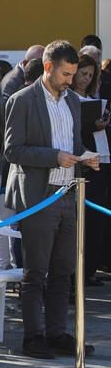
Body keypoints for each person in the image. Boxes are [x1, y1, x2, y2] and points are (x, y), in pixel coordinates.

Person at [5, 40, 101, 359]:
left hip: (69, 195)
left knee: (64, 270)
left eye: (73, 74)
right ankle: (33, 336)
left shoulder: (72, 100)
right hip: (39, 197)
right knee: (36, 272)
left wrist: (86, 157)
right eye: (65, 73)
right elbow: (12, 150)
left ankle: (57, 332)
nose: (70, 80)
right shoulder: (22, 100)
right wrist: (53, 157)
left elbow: (72, 144)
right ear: (48, 67)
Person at [70, 54, 109, 286]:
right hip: (85, 161)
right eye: (83, 73)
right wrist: (91, 125)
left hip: (102, 157)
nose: (86, 79)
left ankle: (91, 269)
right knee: (85, 220)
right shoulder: (69, 98)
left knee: (97, 220)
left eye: (90, 75)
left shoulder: (91, 96)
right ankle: (80, 272)